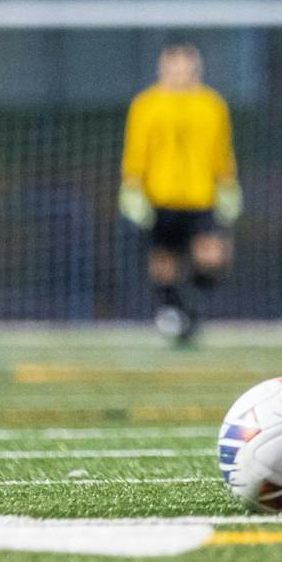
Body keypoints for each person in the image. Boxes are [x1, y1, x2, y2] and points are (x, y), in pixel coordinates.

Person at [119, 43, 242, 345]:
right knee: (165, 261)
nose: (180, 72)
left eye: (186, 66)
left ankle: (189, 307)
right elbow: (136, 149)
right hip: (160, 195)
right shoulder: (146, 104)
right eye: (173, 66)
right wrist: (131, 185)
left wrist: (227, 182)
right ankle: (172, 311)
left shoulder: (211, 104)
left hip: (200, 196)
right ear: (163, 69)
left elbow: (221, 149)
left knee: (212, 255)